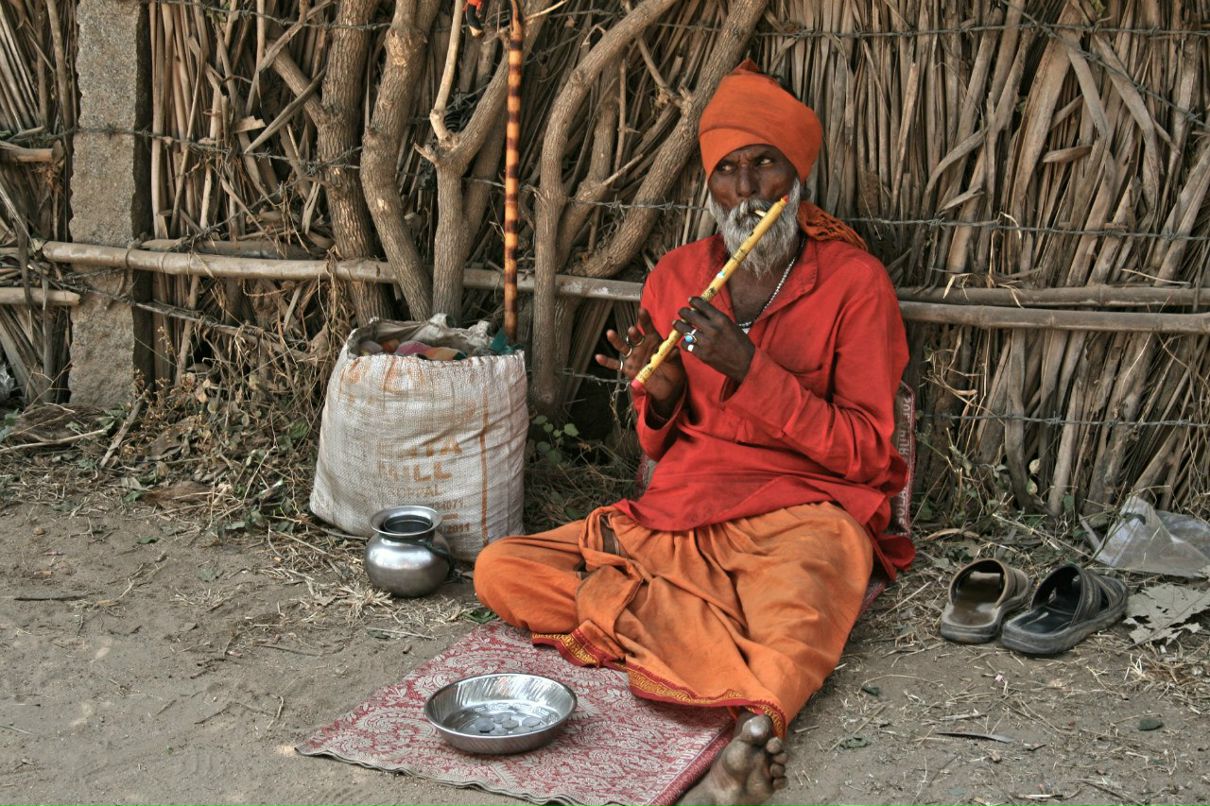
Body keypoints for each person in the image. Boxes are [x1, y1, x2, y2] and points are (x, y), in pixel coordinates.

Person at [474, 60, 912, 806]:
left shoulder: (852, 282)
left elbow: (870, 454)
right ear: (709, 187)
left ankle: (742, 725)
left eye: (765, 165)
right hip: (680, 511)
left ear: (796, 173)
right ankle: (705, 642)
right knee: (500, 569)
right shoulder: (677, 276)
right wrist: (664, 392)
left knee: (803, 616)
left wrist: (751, 369)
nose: (747, 191)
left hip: (803, 516)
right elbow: (655, 446)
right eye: (728, 172)